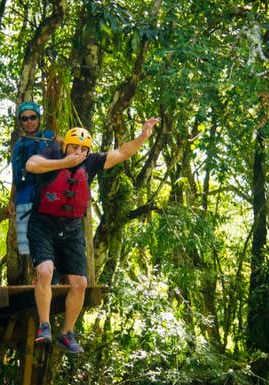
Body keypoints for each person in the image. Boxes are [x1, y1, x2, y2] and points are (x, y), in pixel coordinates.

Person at [26, 117, 159, 353]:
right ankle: (44, 325)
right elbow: (31, 165)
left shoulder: (92, 163)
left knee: (80, 283)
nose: (79, 152)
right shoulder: (52, 154)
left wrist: (143, 136)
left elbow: (122, 153)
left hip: (72, 228)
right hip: (43, 223)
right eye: (74, 147)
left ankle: (66, 333)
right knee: (45, 271)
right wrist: (64, 162)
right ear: (65, 146)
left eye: (83, 149)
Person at [9, 101, 61, 261]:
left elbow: (67, 150)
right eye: (24, 119)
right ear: (20, 122)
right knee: (29, 247)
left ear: (38, 119)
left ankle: (53, 283)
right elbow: (16, 175)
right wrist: (12, 199)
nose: (29, 121)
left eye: (32, 117)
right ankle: (38, 282)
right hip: (24, 197)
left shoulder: (49, 137)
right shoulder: (18, 145)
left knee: (50, 243)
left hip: (46, 198)